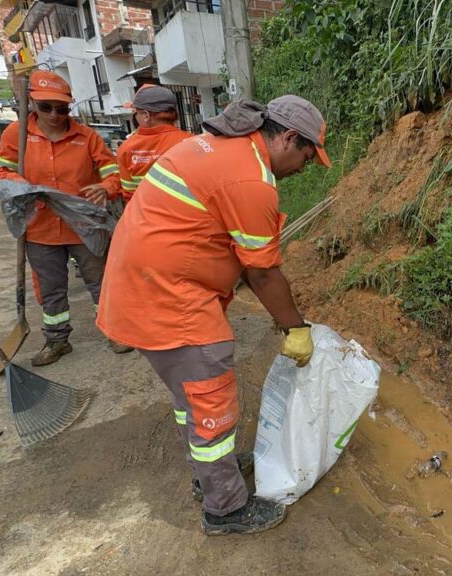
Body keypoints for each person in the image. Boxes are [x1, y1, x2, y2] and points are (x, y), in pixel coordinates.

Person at [97, 96, 331, 535]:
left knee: (191, 400)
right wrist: (294, 328)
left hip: (144, 288)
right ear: (287, 137)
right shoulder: (249, 179)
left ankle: (210, 473)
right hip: (170, 299)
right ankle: (224, 507)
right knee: (212, 403)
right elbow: (261, 272)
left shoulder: (216, 147)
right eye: (305, 155)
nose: (304, 167)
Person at [0, 71, 132, 366]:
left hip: (83, 225)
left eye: (62, 109)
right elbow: (0, 171)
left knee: (101, 281)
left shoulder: (86, 136)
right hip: (40, 227)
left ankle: (114, 331)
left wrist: (107, 187)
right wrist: (20, 186)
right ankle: (57, 340)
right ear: (32, 103)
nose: (55, 115)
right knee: (51, 287)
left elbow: (111, 169)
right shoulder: (17, 135)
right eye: (46, 108)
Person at [116, 84, 192, 203]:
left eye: (136, 113)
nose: (135, 117)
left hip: (148, 218)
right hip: (190, 218)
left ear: (146, 115)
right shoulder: (192, 143)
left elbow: (129, 196)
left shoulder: (126, 149)